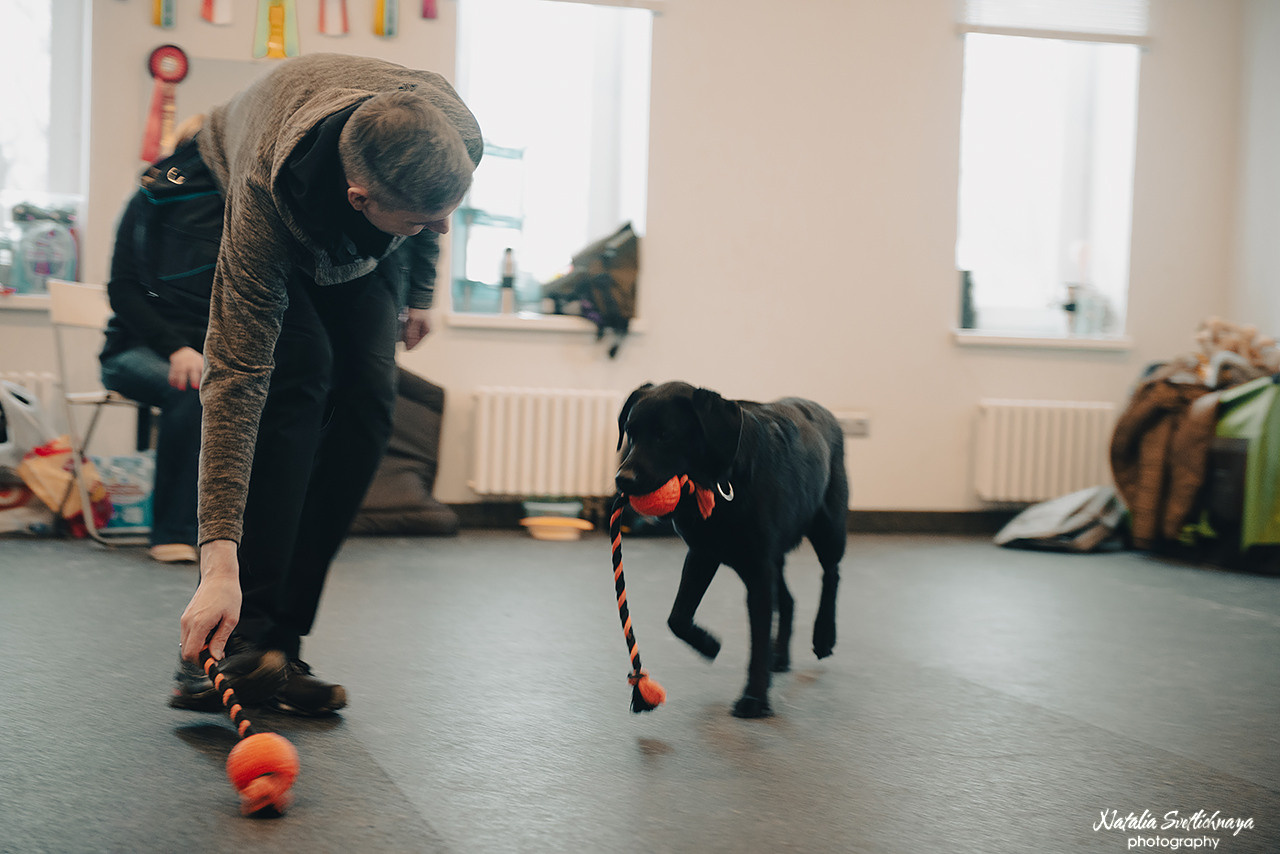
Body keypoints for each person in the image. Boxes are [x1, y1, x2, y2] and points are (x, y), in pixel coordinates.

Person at [173, 54, 483, 716]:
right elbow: (234, 383)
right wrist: (217, 565)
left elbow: (432, 205)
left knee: (370, 404)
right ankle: (235, 642)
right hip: (247, 180)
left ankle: (281, 647)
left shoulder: (456, 129)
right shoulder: (265, 198)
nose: (444, 231)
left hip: (367, 226)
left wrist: (422, 292)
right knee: (298, 385)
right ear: (360, 200)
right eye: (424, 223)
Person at [99, 122, 218, 565]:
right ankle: (172, 532)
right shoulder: (147, 201)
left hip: (208, 355)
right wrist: (176, 348)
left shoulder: (239, 209)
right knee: (189, 390)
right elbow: (123, 290)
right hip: (133, 352)